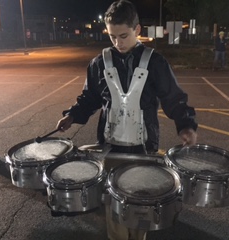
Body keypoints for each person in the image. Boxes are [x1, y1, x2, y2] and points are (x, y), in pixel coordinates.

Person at [56, 1, 198, 239]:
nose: (118, 43)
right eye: (112, 37)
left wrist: (186, 125)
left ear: (138, 30)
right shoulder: (99, 63)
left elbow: (174, 98)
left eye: (123, 36)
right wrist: (72, 115)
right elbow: (89, 97)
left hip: (143, 149)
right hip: (111, 148)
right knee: (115, 210)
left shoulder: (155, 62)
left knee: (140, 207)